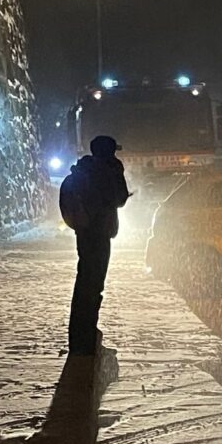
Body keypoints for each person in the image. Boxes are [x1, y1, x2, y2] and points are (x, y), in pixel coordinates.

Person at [64, 135, 130, 356]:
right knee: (94, 285)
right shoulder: (108, 170)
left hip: (84, 232)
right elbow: (119, 198)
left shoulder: (83, 170)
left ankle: (79, 337)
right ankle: (87, 338)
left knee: (84, 282)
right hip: (100, 233)